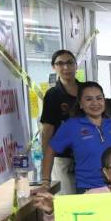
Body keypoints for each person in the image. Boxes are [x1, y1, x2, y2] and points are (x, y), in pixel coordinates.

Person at [48, 82, 111, 193]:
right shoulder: (72, 125)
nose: (95, 103)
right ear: (80, 104)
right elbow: (50, 150)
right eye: (89, 99)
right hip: (88, 190)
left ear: (104, 101)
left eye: (99, 98)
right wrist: (45, 182)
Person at [40, 49, 81, 193]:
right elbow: (47, 131)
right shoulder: (53, 94)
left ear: (76, 65)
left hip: (86, 155)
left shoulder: (86, 90)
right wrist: (46, 165)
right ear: (54, 67)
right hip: (62, 157)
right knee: (68, 198)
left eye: (70, 63)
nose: (66, 67)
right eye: (60, 63)